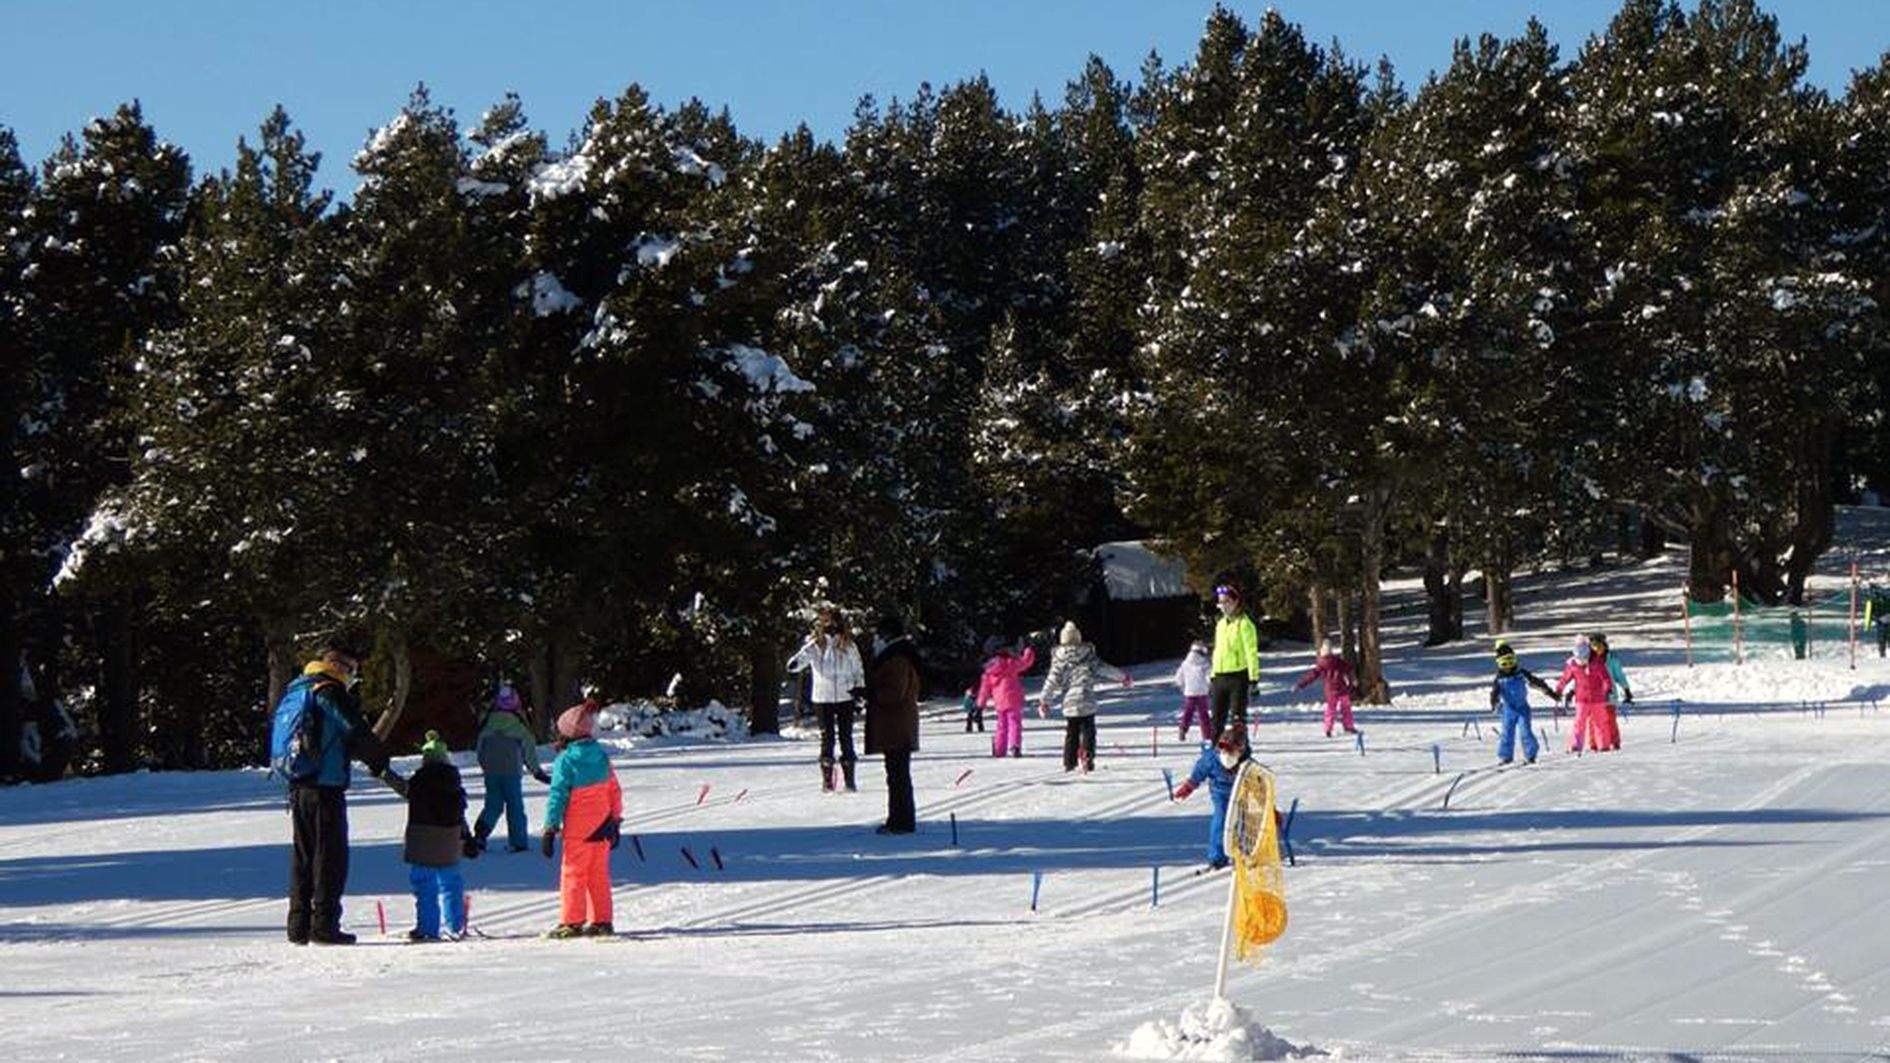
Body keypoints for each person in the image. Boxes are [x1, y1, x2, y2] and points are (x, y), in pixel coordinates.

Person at [276, 643, 408, 946]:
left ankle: (298, 925)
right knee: (330, 856)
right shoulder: (329, 691)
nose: (353, 679)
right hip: (325, 785)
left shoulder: (299, 689)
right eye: (353, 672)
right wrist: (379, 761)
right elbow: (355, 730)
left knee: (303, 856)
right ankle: (324, 925)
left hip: (298, 784)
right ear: (341, 668)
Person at [542, 698, 623, 938]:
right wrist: (616, 820)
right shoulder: (601, 756)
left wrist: (550, 827)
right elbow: (614, 789)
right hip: (603, 825)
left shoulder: (565, 760)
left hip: (579, 828)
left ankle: (572, 921)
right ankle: (602, 920)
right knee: (598, 875)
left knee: (574, 873)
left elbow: (558, 795)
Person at [404, 730, 479, 941]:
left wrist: (383, 773)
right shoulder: (454, 784)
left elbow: (400, 787)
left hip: (422, 842)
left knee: (424, 886)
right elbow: (460, 816)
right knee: (451, 884)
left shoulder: (417, 783)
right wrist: (468, 838)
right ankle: (455, 924)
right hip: (449, 841)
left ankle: (427, 928)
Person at [787, 608, 867, 792]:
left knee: (846, 737)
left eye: (834, 624)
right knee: (827, 738)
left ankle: (849, 780)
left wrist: (859, 688)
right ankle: (827, 780)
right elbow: (798, 661)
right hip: (822, 697)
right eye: (826, 624)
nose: (831, 628)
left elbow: (858, 668)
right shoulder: (815, 646)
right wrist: (795, 663)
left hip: (845, 696)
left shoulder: (848, 646)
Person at [1037, 621, 1131, 773]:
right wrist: (1123, 677)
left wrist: (1044, 701)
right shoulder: (1089, 657)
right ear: (1079, 639)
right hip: (1086, 699)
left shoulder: (1059, 661)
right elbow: (1105, 669)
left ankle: (1069, 761)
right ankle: (1088, 755)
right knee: (1089, 729)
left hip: (1070, 702)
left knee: (1071, 732)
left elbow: (1051, 682)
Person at [471, 682, 551, 853]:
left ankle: (480, 834)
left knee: (493, 804)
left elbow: (479, 749)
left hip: (491, 772)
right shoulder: (519, 728)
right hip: (511, 772)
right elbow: (528, 751)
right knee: (515, 806)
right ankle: (518, 841)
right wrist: (536, 772)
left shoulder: (487, 725)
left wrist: (485, 766)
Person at [865, 615, 922, 835]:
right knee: (896, 775)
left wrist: (870, 693)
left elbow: (894, 693)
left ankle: (901, 822)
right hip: (896, 724)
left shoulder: (897, 658)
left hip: (897, 725)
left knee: (898, 776)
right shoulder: (898, 655)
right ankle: (898, 819)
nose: (876, 639)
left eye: (879, 635)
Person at [1172, 722, 1251, 871]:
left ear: (1240, 751)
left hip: (1240, 792)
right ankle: (1217, 857)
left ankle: (1243, 851)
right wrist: (1188, 788)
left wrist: (1269, 808)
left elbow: (1258, 787)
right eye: (1224, 750)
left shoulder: (1247, 764)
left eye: (1232, 752)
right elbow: (1198, 774)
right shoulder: (1211, 759)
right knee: (1221, 819)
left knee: (1242, 820)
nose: (1227, 755)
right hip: (1219, 792)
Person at [1489, 641, 1556, 765]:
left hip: (1522, 708)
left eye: (1511, 661)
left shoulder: (1521, 674)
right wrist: (1494, 704)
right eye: (1504, 663)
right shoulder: (1499, 679)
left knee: (1526, 731)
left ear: (1515, 660)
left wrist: (1551, 693)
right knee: (1507, 733)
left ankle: (1531, 755)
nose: (1508, 666)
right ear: (1499, 664)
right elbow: (1494, 694)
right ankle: (1506, 756)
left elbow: (1537, 683)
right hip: (1508, 710)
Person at [1209, 585, 1261, 742]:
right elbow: (1218, 651)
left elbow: (1251, 652)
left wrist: (1253, 679)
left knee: (1237, 720)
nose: (1223, 606)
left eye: (1227, 602)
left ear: (1236, 602)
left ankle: (1240, 752)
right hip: (1220, 676)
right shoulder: (1220, 624)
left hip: (1238, 676)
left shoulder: (1244, 624)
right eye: (1220, 603)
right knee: (1217, 719)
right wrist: (1213, 676)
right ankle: (1215, 753)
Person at [976, 635, 1037, 758]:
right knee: (1015, 722)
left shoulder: (989, 670)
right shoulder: (1011, 663)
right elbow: (1026, 662)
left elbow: (984, 689)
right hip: (1014, 699)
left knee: (1001, 725)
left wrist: (980, 704)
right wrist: (1029, 649)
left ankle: (999, 750)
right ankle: (1015, 746)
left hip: (999, 701)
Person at [1554, 635, 1614, 755]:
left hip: (1598, 699)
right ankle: (1576, 744)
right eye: (1579, 660)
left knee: (1600, 722)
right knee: (1579, 722)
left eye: (1584, 659)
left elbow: (1606, 678)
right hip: (1582, 699)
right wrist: (1559, 690)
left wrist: (1607, 689)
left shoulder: (1597, 663)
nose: (1582, 662)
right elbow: (1564, 678)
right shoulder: (1573, 665)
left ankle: (1603, 745)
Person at [1294, 638, 1357, 737]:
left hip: (1330, 691)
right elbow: (1349, 669)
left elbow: (1312, 676)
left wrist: (1301, 684)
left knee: (1330, 710)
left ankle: (1328, 728)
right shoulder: (1339, 662)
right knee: (1346, 709)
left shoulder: (1321, 664)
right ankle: (1349, 726)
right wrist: (1352, 682)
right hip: (1342, 689)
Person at [1592, 633, 1631, 753]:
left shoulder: (1611, 659)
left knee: (1609, 719)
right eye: (1593, 646)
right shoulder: (1588, 659)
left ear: (1604, 645)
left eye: (1599, 645)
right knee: (1593, 720)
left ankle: (1614, 741)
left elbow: (1619, 675)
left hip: (1609, 695)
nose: (1596, 649)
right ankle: (1594, 743)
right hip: (1593, 696)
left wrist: (1626, 690)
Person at [1173, 639, 1213, 743]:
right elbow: (1209, 677)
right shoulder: (1205, 663)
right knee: (1203, 715)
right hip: (1202, 693)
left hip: (1189, 692)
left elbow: (1178, 678)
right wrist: (1211, 686)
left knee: (1188, 712)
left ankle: (1183, 729)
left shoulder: (1185, 663)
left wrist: (1182, 686)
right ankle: (1207, 736)